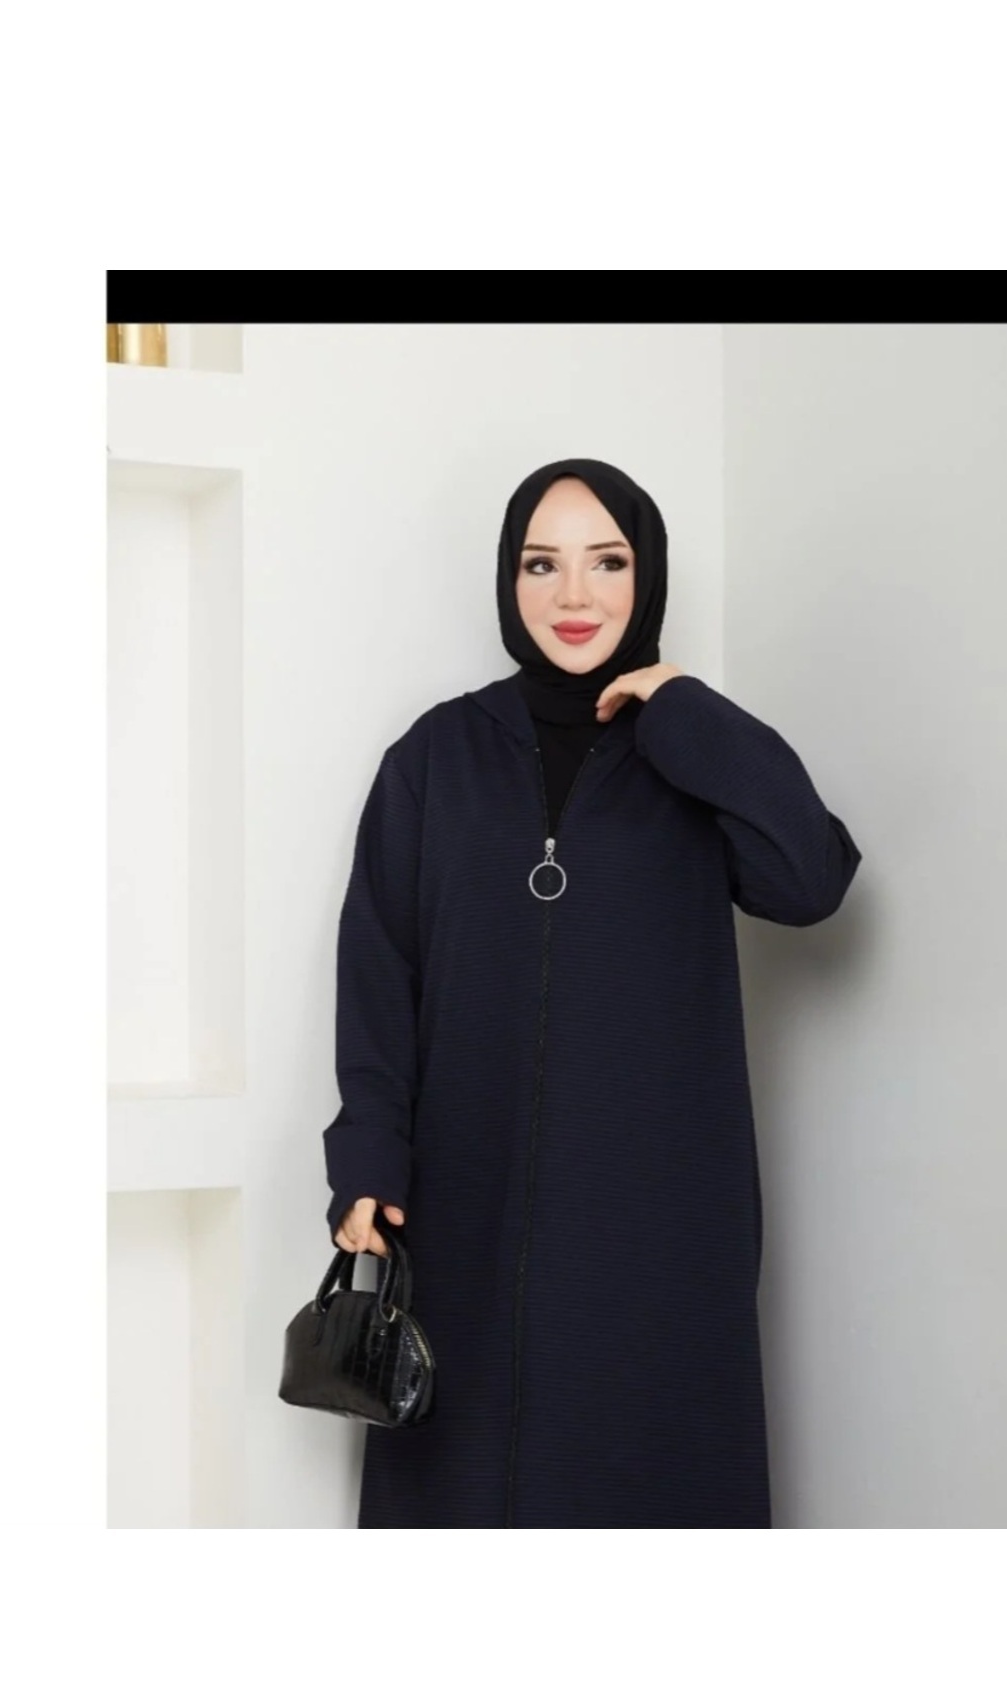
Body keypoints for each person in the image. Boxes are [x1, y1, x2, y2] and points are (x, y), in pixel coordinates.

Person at [322, 457, 863, 1528]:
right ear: (508, 579)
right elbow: (380, 968)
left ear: (647, 575)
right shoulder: (434, 758)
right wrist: (369, 1155)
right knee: (463, 1488)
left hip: (659, 1210)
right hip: (464, 1202)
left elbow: (811, 882)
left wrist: (686, 708)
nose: (573, 595)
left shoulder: (690, 753)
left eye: (607, 562)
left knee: (646, 1476)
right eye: (542, 564)